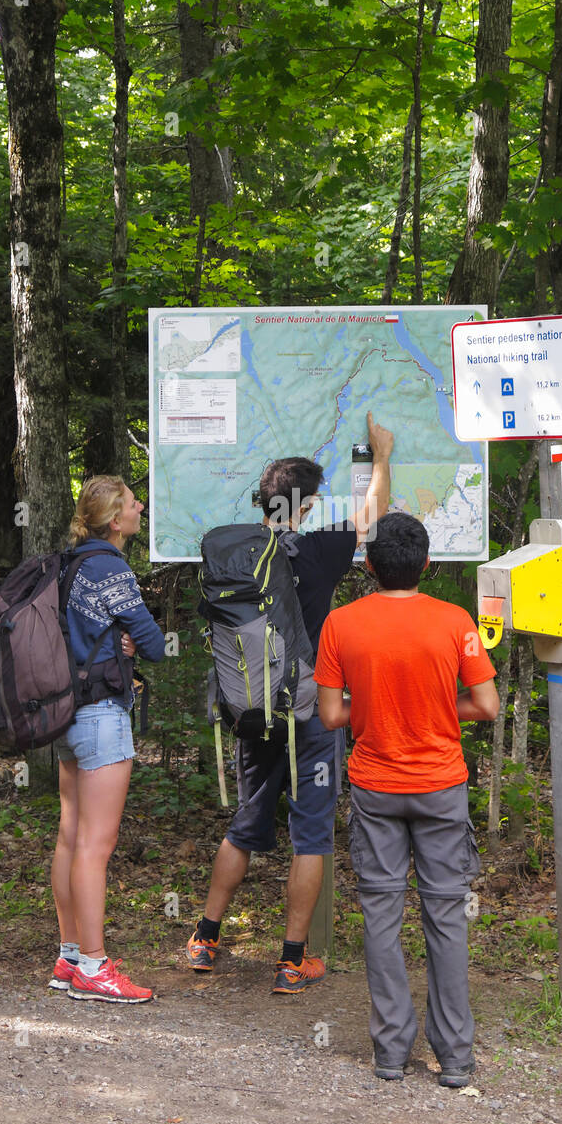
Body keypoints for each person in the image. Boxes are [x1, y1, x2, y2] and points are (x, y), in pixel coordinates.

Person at [187, 412, 394, 993]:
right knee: (311, 834)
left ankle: (204, 938)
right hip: (307, 710)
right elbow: (373, 514)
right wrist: (381, 456)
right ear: (303, 506)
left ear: (265, 501)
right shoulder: (317, 551)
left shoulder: (235, 554)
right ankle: (291, 959)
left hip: (250, 707)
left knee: (245, 823)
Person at [314, 511, 499, 1085]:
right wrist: (443, 712)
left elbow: (329, 715)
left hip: (375, 785)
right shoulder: (454, 621)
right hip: (442, 786)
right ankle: (455, 1059)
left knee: (381, 915)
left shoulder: (340, 624)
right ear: (425, 564)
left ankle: (392, 1052)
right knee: (446, 916)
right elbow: (487, 706)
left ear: (368, 566)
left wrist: (370, 713)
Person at [48, 475, 169, 1004]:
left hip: (66, 713)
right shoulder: (109, 566)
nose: (141, 505)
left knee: (71, 837)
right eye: (132, 502)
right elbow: (154, 644)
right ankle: (95, 967)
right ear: (115, 520)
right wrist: (133, 642)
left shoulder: (71, 563)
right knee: (96, 846)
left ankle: (71, 956)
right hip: (100, 714)